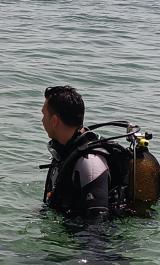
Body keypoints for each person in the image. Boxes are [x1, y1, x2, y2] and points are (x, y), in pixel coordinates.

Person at [41, 85, 111, 219]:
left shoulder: (90, 162)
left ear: (54, 120)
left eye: (44, 115)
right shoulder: (65, 151)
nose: (42, 120)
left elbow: (98, 228)